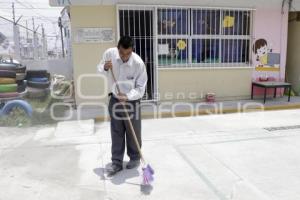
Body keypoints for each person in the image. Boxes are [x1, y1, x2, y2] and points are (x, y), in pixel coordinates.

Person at [97, 36, 147, 176]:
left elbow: (141, 88)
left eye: (128, 53)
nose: (124, 56)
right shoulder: (109, 54)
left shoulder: (138, 63)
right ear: (117, 48)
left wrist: (128, 96)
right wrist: (105, 67)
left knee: (133, 131)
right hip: (115, 99)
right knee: (116, 131)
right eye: (121, 53)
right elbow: (99, 68)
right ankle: (117, 162)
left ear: (132, 50)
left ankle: (135, 157)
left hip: (132, 100)